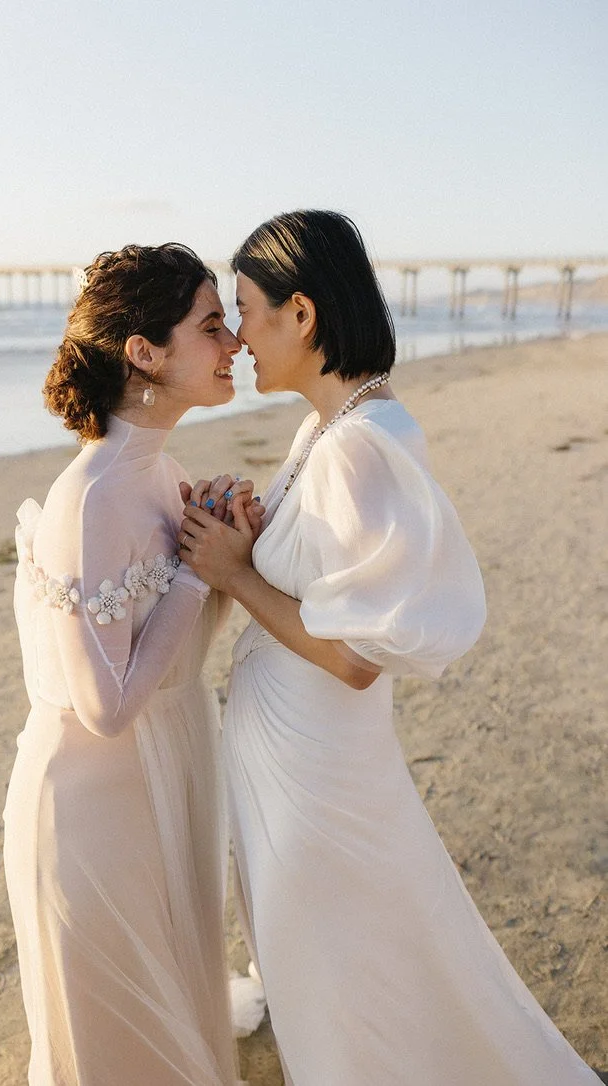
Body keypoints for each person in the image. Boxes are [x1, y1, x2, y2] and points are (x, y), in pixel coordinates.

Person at [178, 210, 601, 1085]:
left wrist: (234, 571)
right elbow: (334, 586)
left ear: (302, 314)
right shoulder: (333, 430)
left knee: (343, 994)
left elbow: (354, 654)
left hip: (317, 778)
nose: (240, 335)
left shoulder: (357, 449)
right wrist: (256, 541)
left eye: (248, 310)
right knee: (352, 976)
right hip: (306, 763)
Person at [3, 243, 260, 1086]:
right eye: (212, 326)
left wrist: (224, 560)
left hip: (153, 780)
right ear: (145, 352)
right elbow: (107, 706)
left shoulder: (161, 470)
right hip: (92, 811)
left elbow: (173, 657)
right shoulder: (94, 497)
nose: (234, 345)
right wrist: (195, 574)